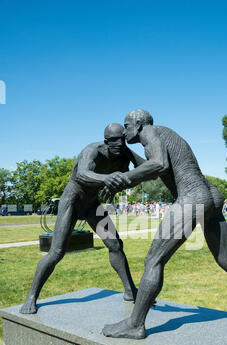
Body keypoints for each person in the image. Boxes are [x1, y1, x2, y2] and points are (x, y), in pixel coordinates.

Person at [100, 109, 227, 339]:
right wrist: (129, 160)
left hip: (192, 198)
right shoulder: (164, 134)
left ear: (139, 124)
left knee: (154, 260)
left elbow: (159, 165)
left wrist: (123, 178)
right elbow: (153, 170)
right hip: (210, 194)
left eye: (127, 125)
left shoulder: (150, 133)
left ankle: (135, 323)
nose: (124, 131)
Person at [20, 123, 146, 314]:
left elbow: (146, 169)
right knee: (57, 252)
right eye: (114, 141)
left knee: (115, 245)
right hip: (73, 199)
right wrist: (106, 179)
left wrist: (127, 152)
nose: (119, 144)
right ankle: (31, 297)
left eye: (122, 140)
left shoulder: (123, 152)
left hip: (91, 204)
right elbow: (82, 173)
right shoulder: (92, 150)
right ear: (106, 141)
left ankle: (130, 290)